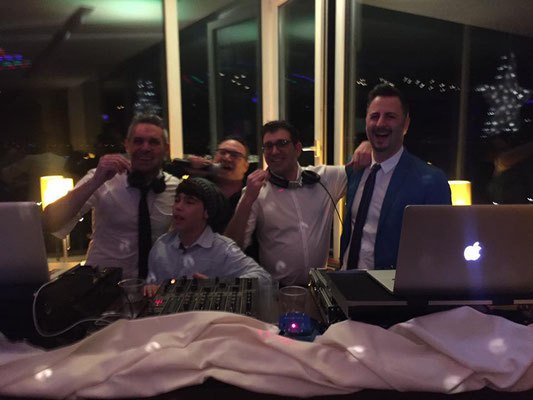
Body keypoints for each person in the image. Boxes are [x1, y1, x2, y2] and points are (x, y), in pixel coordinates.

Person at [43, 114, 180, 279]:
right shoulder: (102, 178)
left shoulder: (176, 189)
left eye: (153, 142)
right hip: (102, 283)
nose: (145, 148)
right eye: (138, 141)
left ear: (166, 148)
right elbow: (51, 222)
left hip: (153, 285)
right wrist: (95, 182)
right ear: (127, 145)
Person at [340, 84, 451, 270]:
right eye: (374, 116)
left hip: (389, 287)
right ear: (366, 121)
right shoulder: (356, 169)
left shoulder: (430, 181)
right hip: (344, 281)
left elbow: (440, 249)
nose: (380, 123)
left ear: (405, 124)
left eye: (390, 116)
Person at [225, 120, 347, 286]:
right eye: (268, 146)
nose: (274, 151)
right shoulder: (255, 191)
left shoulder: (324, 178)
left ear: (297, 148)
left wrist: (367, 147)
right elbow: (231, 248)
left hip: (319, 288)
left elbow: (362, 170)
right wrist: (247, 200)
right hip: (277, 291)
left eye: (282, 143)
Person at [145, 177, 271, 295]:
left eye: (189, 202)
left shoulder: (223, 249)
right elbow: (152, 284)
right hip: (168, 311)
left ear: (207, 212)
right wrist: (150, 289)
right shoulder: (162, 245)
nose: (178, 207)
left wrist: (220, 286)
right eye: (177, 200)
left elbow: (264, 279)